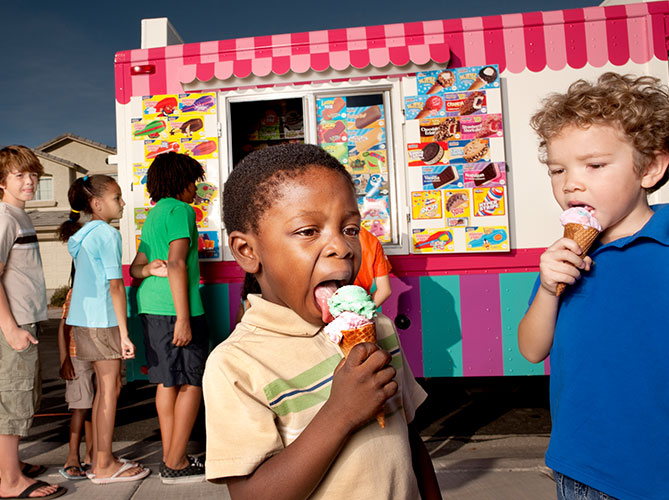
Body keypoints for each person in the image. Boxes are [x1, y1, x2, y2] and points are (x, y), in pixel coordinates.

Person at [203, 143, 441, 500]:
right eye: (308, 231)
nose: (343, 247)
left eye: (349, 229)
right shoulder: (236, 364)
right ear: (247, 251)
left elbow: (408, 438)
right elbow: (253, 495)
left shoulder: (379, 329)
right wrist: (341, 413)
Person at [518, 72, 669, 500]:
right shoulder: (564, 256)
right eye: (558, 170)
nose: (571, 183)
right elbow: (531, 349)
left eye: (595, 165)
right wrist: (548, 290)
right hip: (583, 468)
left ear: (651, 167)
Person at [58, 174, 149, 484]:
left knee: (104, 390)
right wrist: (124, 334)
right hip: (103, 321)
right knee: (110, 388)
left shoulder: (83, 235)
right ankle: (104, 466)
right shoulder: (107, 236)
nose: (122, 203)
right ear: (97, 204)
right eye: (117, 198)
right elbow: (115, 286)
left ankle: (101, 458)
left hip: (83, 322)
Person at [129, 152, 209, 484]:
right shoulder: (180, 211)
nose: (196, 190)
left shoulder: (153, 215)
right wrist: (183, 318)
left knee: (167, 382)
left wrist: (150, 269)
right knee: (191, 383)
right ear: (181, 181)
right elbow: (177, 263)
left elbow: (137, 268)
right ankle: (175, 464)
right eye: (193, 182)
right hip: (176, 308)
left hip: (150, 304)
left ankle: (170, 455)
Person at [0, 145, 65, 499]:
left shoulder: (18, 216)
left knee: (19, 397)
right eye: (19, 175)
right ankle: (10, 482)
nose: (29, 181)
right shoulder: (5, 216)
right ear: (1, 181)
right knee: (13, 399)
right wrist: (11, 329)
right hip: (13, 323)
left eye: (33, 174)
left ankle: (10, 465)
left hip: (24, 319)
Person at [57, 282, 94, 480]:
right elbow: (64, 327)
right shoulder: (77, 291)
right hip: (77, 356)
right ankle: (72, 457)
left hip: (98, 355)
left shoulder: (104, 286)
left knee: (93, 406)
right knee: (80, 407)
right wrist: (65, 360)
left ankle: (91, 454)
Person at [354, 226, 392, 307]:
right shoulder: (371, 240)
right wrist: (363, 312)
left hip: (328, 308)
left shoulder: (324, 236)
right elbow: (384, 290)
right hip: (360, 306)